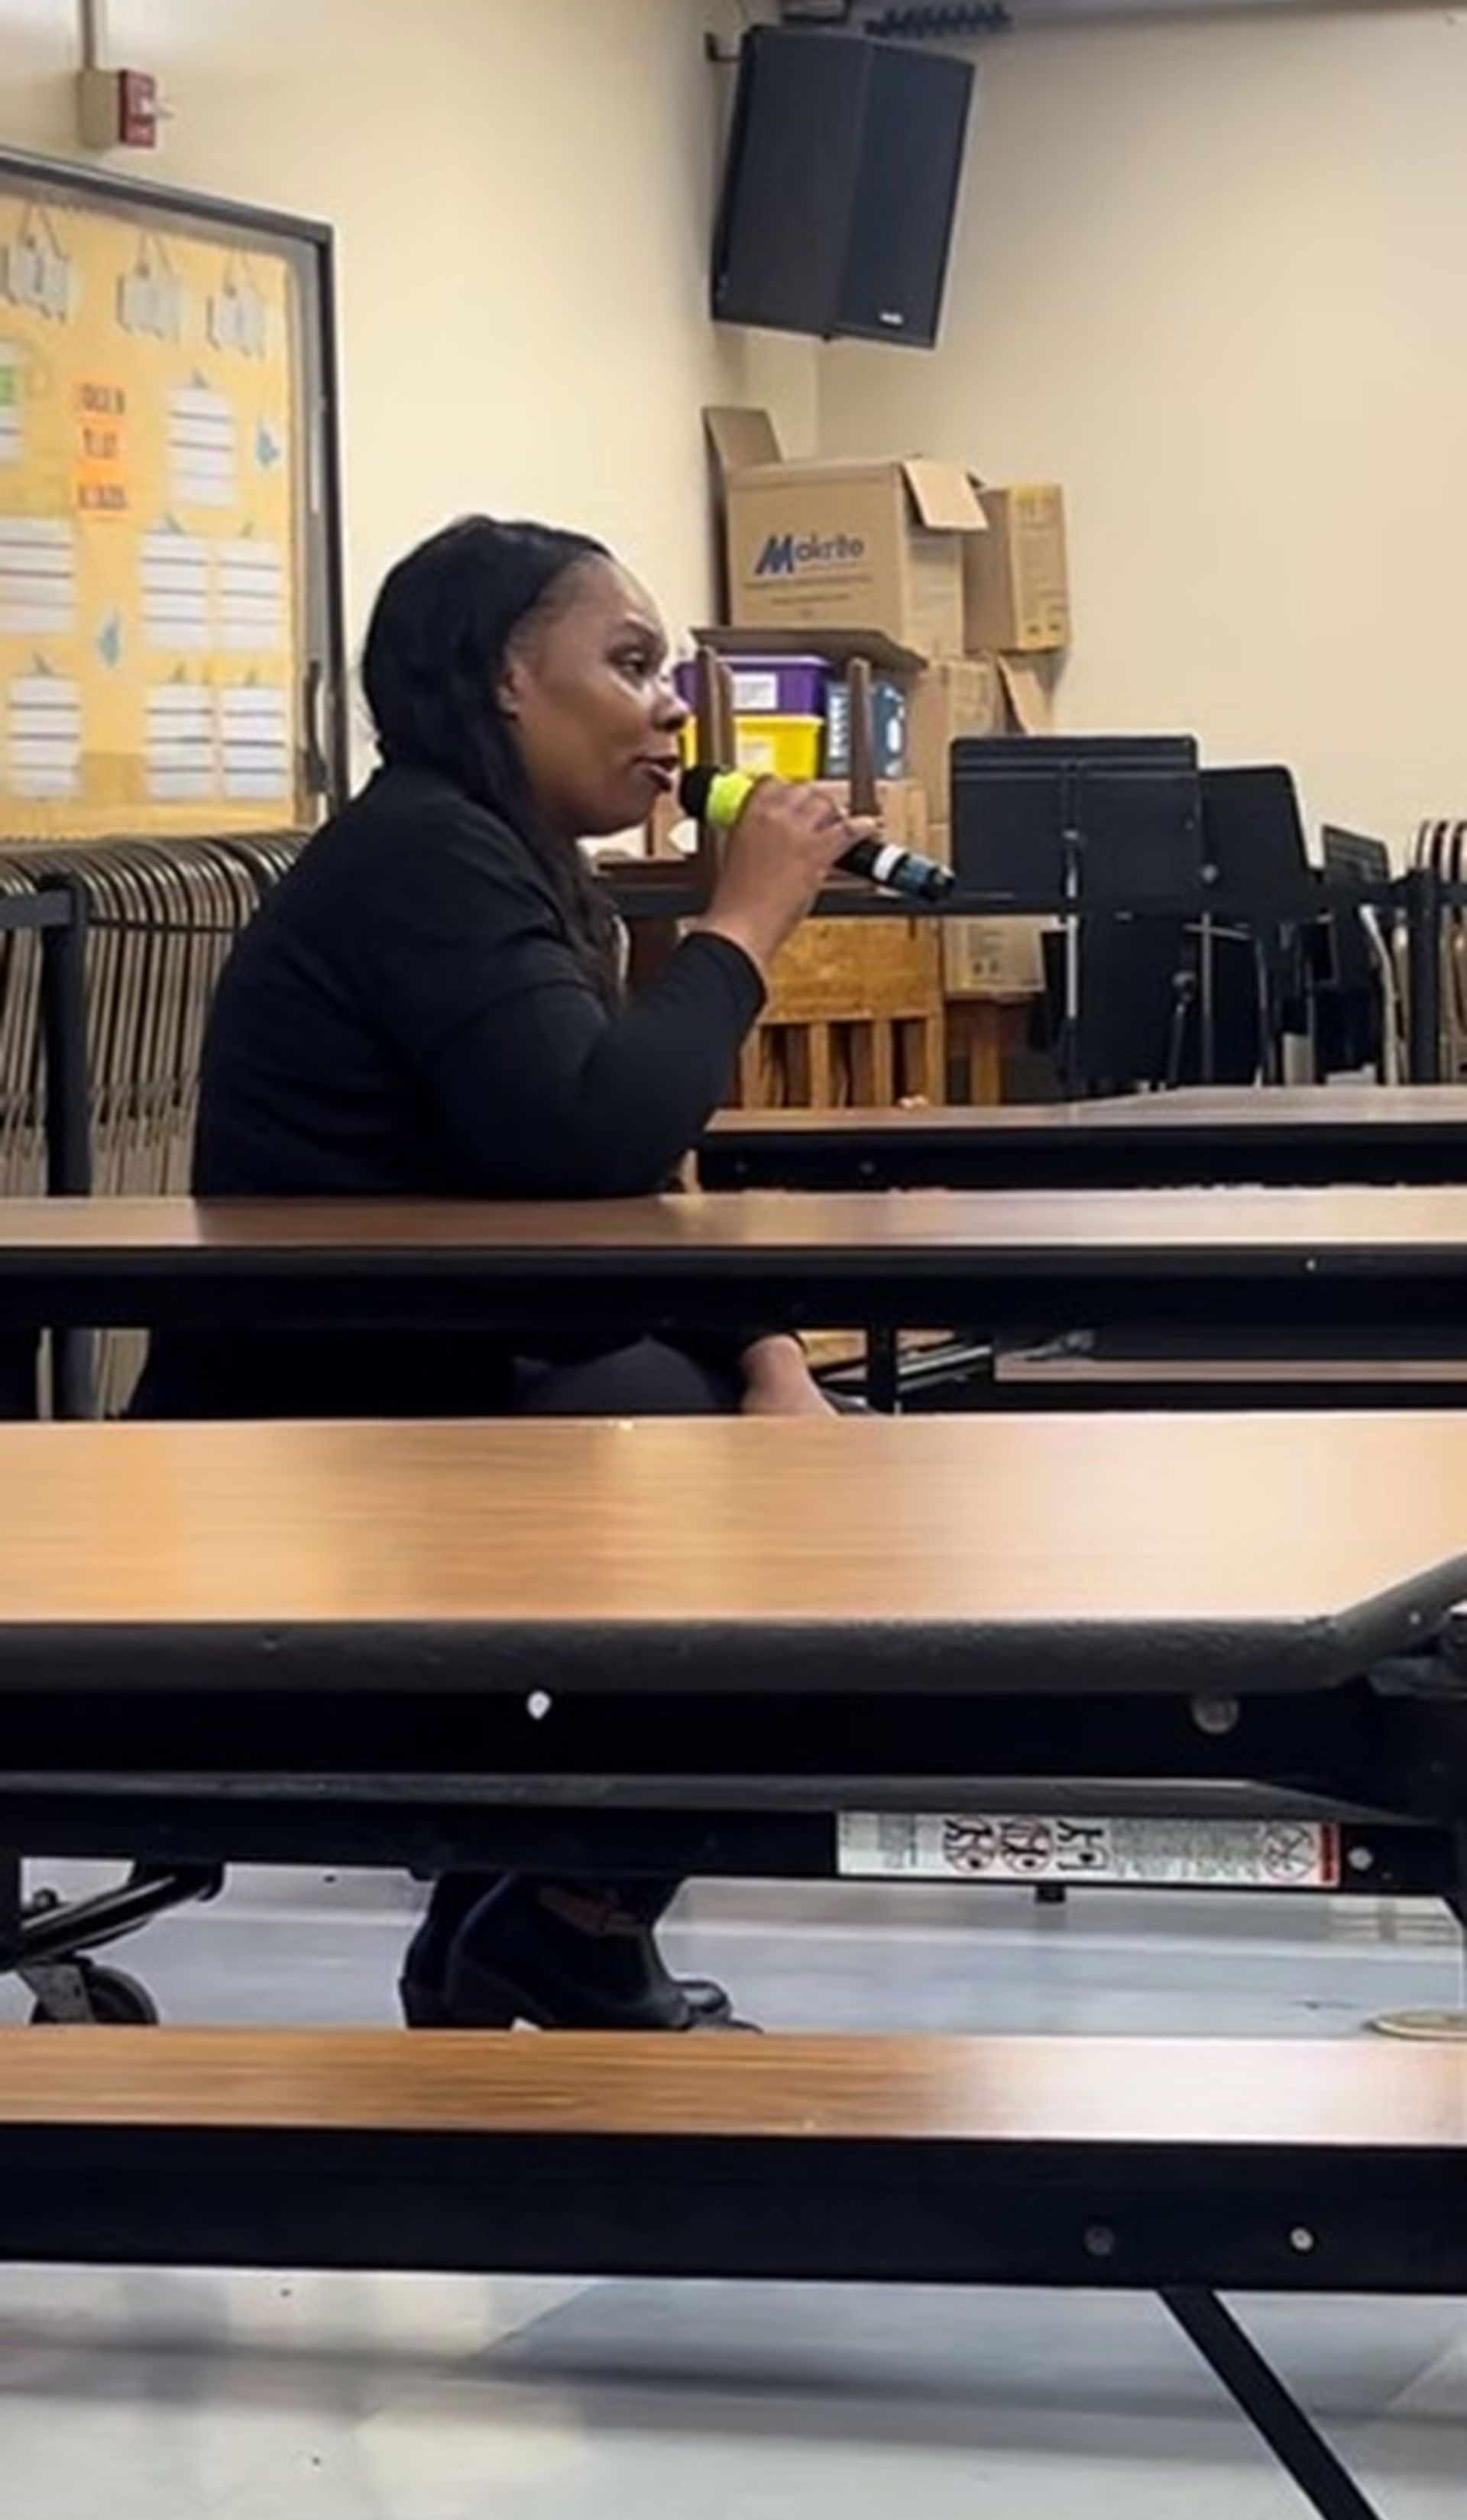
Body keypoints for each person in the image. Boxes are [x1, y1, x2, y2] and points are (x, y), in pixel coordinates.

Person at [131, 513, 867, 2031]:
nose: (672, 706)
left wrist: (772, 1355)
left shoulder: (504, 859)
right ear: (508, 680)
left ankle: (539, 1910)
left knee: (796, 1465)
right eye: (632, 662)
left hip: (448, 1389)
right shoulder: (423, 855)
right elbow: (589, 1135)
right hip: (323, 1441)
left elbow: (620, 1187)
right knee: (773, 1519)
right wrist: (742, 923)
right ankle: (557, 1915)